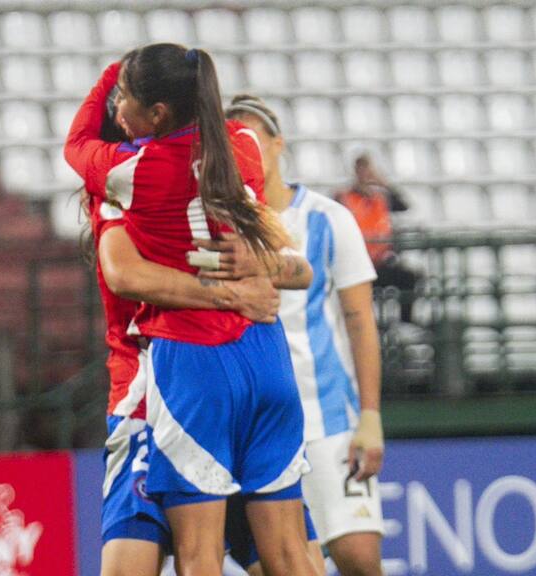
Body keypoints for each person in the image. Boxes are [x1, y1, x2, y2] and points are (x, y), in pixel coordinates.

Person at [66, 44, 320, 576]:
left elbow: (123, 271)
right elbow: (301, 270)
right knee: (292, 553)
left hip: (187, 365)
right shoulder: (242, 147)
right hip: (265, 350)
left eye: (125, 98)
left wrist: (113, 68)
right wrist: (256, 274)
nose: (117, 106)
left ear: (155, 114)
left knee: (197, 553)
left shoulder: (127, 174)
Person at [200, 95, 386, 576]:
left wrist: (370, 416)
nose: (243, 151)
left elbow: (360, 320)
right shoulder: (216, 224)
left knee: (360, 559)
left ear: (278, 144)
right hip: (259, 421)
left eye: (252, 140)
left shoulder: (328, 218)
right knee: (288, 562)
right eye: (231, 143)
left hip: (327, 417)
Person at [334, 154, 418, 324]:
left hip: (381, 262)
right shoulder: (344, 197)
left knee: (409, 277)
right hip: (355, 263)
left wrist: (385, 184)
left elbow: (404, 206)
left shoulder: (381, 197)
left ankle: (406, 323)